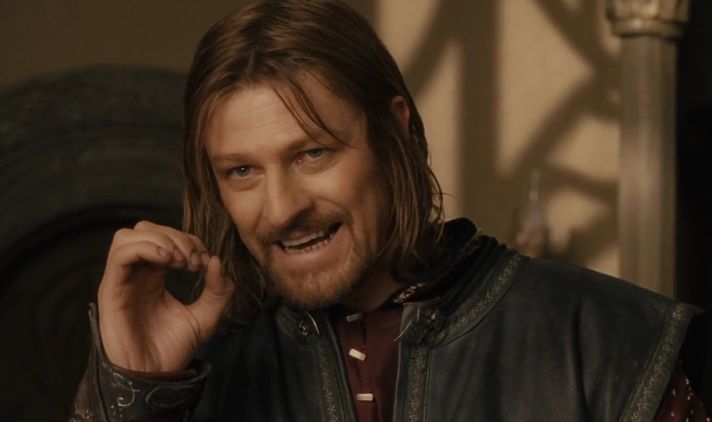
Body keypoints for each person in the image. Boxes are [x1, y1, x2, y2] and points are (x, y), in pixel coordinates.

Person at [69, 1, 708, 421]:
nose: (281, 209)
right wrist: (135, 392)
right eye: (243, 171)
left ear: (394, 130)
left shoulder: (602, 339)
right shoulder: (196, 376)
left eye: (312, 153)